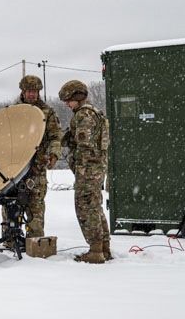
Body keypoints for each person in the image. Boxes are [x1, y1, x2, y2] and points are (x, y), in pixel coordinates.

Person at [59, 79, 111, 263]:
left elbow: (84, 145)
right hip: (97, 170)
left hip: (88, 171)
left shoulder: (83, 115)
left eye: (68, 100)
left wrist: (79, 167)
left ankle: (95, 251)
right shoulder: (96, 113)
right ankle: (104, 248)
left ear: (77, 97)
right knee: (95, 207)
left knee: (85, 209)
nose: (67, 104)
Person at [14, 75, 63, 238]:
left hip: (38, 166)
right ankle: (10, 239)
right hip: (15, 167)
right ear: (23, 91)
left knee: (36, 205)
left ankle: (35, 241)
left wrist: (54, 154)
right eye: (29, 91)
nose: (32, 94)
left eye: (35, 91)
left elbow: (55, 136)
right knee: (12, 204)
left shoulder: (47, 112)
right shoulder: (13, 112)